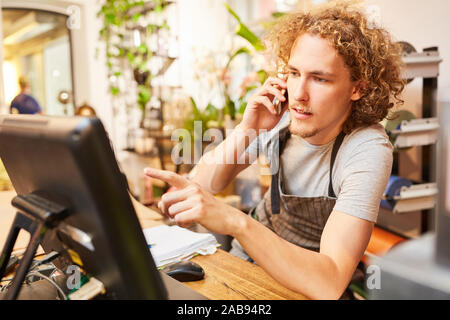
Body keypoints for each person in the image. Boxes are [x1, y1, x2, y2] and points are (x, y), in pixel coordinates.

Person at [145, 3, 405, 299]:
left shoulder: (367, 148)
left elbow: (329, 282)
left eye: (319, 78)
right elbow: (200, 186)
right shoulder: (280, 117)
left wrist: (236, 222)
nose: (299, 94)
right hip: (245, 270)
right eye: (294, 73)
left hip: (305, 289)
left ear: (357, 88)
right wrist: (248, 129)